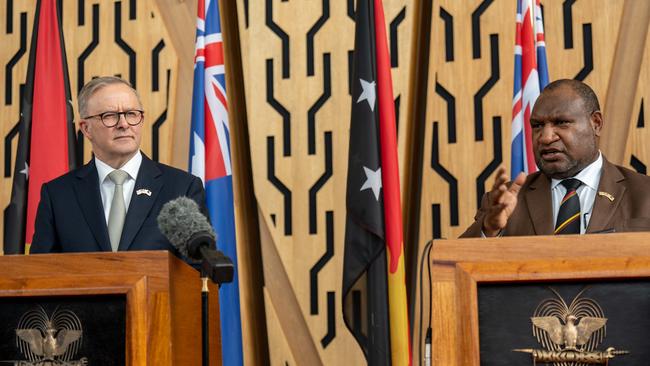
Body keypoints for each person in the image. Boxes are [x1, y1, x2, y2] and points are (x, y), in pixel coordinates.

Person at [30, 76, 206, 253]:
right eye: (109, 116)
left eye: (131, 114)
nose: (124, 124)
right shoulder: (58, 195)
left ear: (141, 119)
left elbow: (199, 272)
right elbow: (39, 273)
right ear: (86, 129)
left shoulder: (181, 188)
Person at [462, 79, 650, 237]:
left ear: (596, 123)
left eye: (561, 123)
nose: (545, 137)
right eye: (537, 125)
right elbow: (454, 267)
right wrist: (489, 228)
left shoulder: (644, 193)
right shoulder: (506, 203)